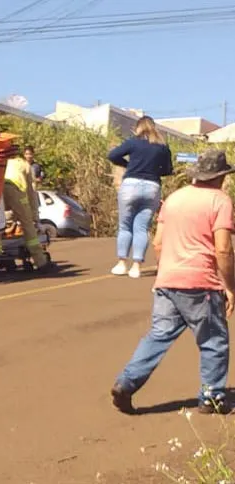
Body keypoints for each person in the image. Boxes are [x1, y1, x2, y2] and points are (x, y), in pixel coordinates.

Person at [111, 149, 235, 415]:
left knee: (158, 336)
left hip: (168, 281)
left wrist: (166, 271)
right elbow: (223, 249)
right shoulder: (220, 201)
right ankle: (212, 397)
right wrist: (229, 286)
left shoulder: (175, 199)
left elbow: (158, 243)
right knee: (214, 340)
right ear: (220, 177)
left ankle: (127, 382)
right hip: (201, 282)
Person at [107, 116, 173, 279]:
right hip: (152, 187)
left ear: (138, 128)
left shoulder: (133, 142)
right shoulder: (162, 146)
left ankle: (122, 263)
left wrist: (128, 165)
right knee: (141, 227)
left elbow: (113, 155)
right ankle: (137, 266)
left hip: (131, 184)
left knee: (125, 226)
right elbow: (168, 170)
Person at [0, 145, 55, 273]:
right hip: (16, 191)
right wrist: (35, 218)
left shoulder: (2, 162)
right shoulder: (25, 165)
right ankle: (41, 262)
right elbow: (31, 193)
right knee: (28, 226)